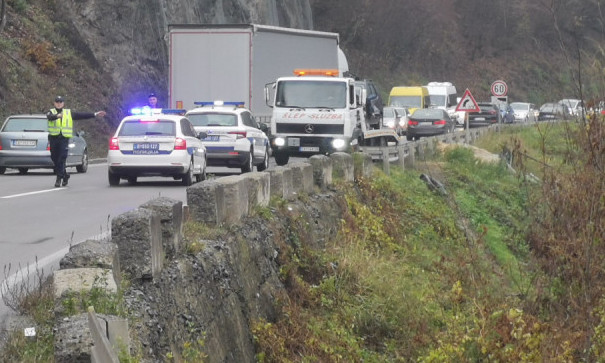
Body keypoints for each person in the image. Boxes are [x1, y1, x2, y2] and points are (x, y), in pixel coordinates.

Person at [46, 96, 106, 187]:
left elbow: (81, 115)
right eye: (57, 102)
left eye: (60, 102)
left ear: (63, 103)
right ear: (54, 103)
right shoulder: (51, 112)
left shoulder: (68, 113)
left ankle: (58, 179)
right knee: (55, 159)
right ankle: (65, 175)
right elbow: (49, 117)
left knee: (62, 158)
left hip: (64, 139)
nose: (58, 103)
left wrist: (94, 114)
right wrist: (57, 116)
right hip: (54, 139)